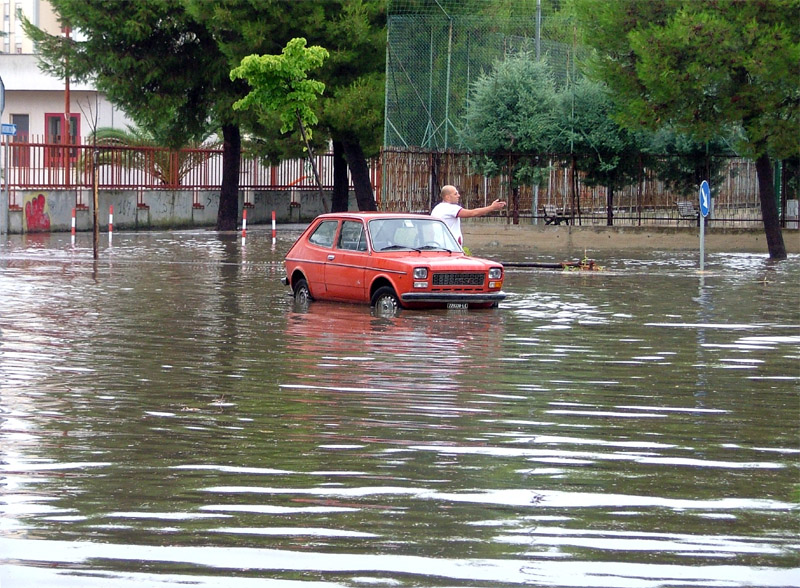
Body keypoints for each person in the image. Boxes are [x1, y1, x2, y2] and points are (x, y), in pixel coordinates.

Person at [430, 185, 506, 245]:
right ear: (447, 197)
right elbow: (472, 213)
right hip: (449, 247)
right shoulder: (451, 208)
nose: (458, 195)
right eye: (455, 194)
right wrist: (492, 207)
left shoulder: (437, 208)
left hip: (440, 245)